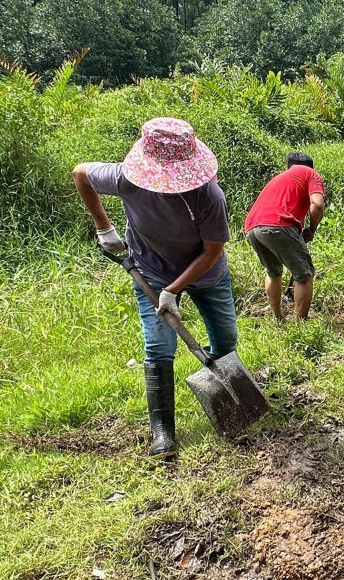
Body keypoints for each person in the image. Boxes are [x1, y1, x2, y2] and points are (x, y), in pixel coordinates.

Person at [73, 117, 236, 460]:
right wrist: (103, 226)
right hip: (151, 271)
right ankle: (163, 432)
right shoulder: (125, 179)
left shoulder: (209, 196)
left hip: (206, 275)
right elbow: (81, 174)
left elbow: (212, 252)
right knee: (159, 344)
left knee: (226, 340)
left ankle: (230, 396)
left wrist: (174, 290)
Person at [244, 152, 325, 321]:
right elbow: (317, 204)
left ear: (288, 167)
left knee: (273, 272)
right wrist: (312, 228)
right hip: (278, 224)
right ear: (311, 166)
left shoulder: (279, 178)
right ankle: (299, 327)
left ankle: (278, 318)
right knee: (304, 275)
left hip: (252, 227)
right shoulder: (310, 173)